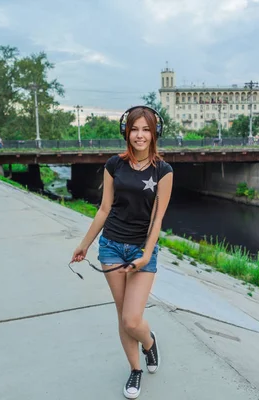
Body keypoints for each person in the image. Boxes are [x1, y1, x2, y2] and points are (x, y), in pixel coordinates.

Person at [71, 106, 173, 399]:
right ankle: (135, 370)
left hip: (142, 250)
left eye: (145, 129)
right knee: (122, 315)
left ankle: (149, 343)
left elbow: (157, 219)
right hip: (112, 246)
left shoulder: (163, 171)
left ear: (155, 133)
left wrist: (145, 254)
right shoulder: (114, 164)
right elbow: (104, 209)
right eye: (134, 129)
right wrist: (85, 244)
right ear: (126, 131)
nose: (139, 135)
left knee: (132, 319)